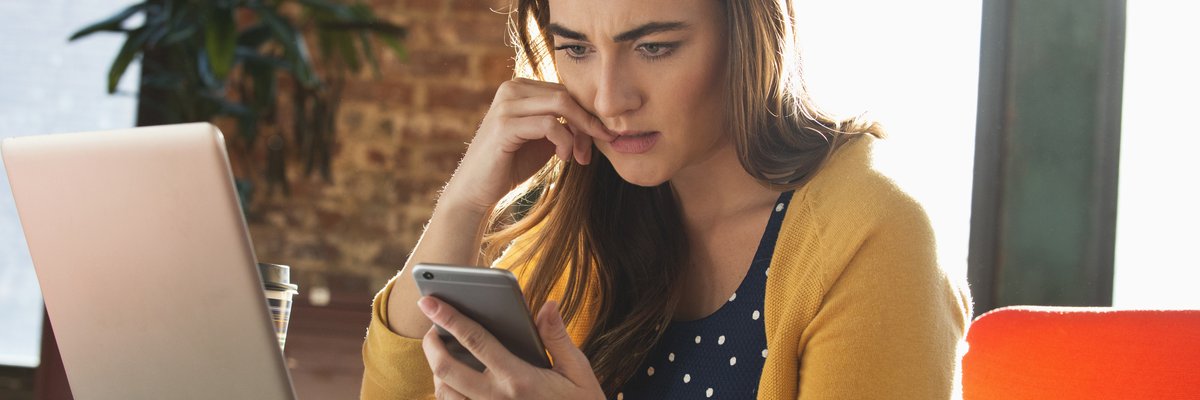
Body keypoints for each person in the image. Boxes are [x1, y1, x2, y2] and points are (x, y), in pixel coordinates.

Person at [361, 0, 972, 398]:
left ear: (746, 34)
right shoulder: (584, 223)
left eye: (653, 47)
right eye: (576, 49)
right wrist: (464, 204)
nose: (608, 97)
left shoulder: (873, 233)